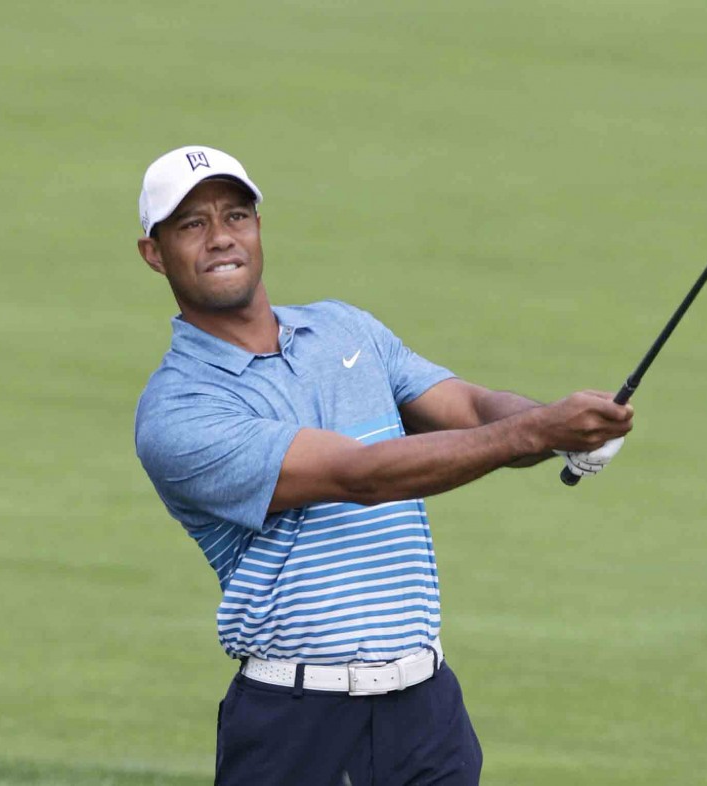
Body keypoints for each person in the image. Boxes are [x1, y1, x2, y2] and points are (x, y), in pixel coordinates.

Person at [134, 145, 634, 786]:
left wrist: (565, 428)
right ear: (154, 253)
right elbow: (361, 475)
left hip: (424, 709)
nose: (220, 239)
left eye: (235, 216)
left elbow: (473, 408)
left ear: (258, 228)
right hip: (299, 723)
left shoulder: (345, 330)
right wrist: (538, 429)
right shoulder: (178, 410)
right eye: (191, 225)